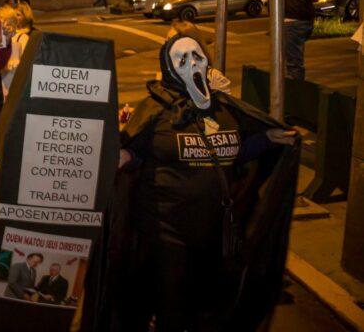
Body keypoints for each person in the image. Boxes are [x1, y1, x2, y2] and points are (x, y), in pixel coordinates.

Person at [108, 34, 300, 332]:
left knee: (209, 307)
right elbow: (136, 151)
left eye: (197, 56)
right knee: (172, 310)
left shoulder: (225, 108)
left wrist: (266, 138)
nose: (192, 64)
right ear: (169, 69)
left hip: (214, 231)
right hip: (166, 231)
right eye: (182, 60)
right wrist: (122, 157)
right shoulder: (156, 110)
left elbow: (234, 154)